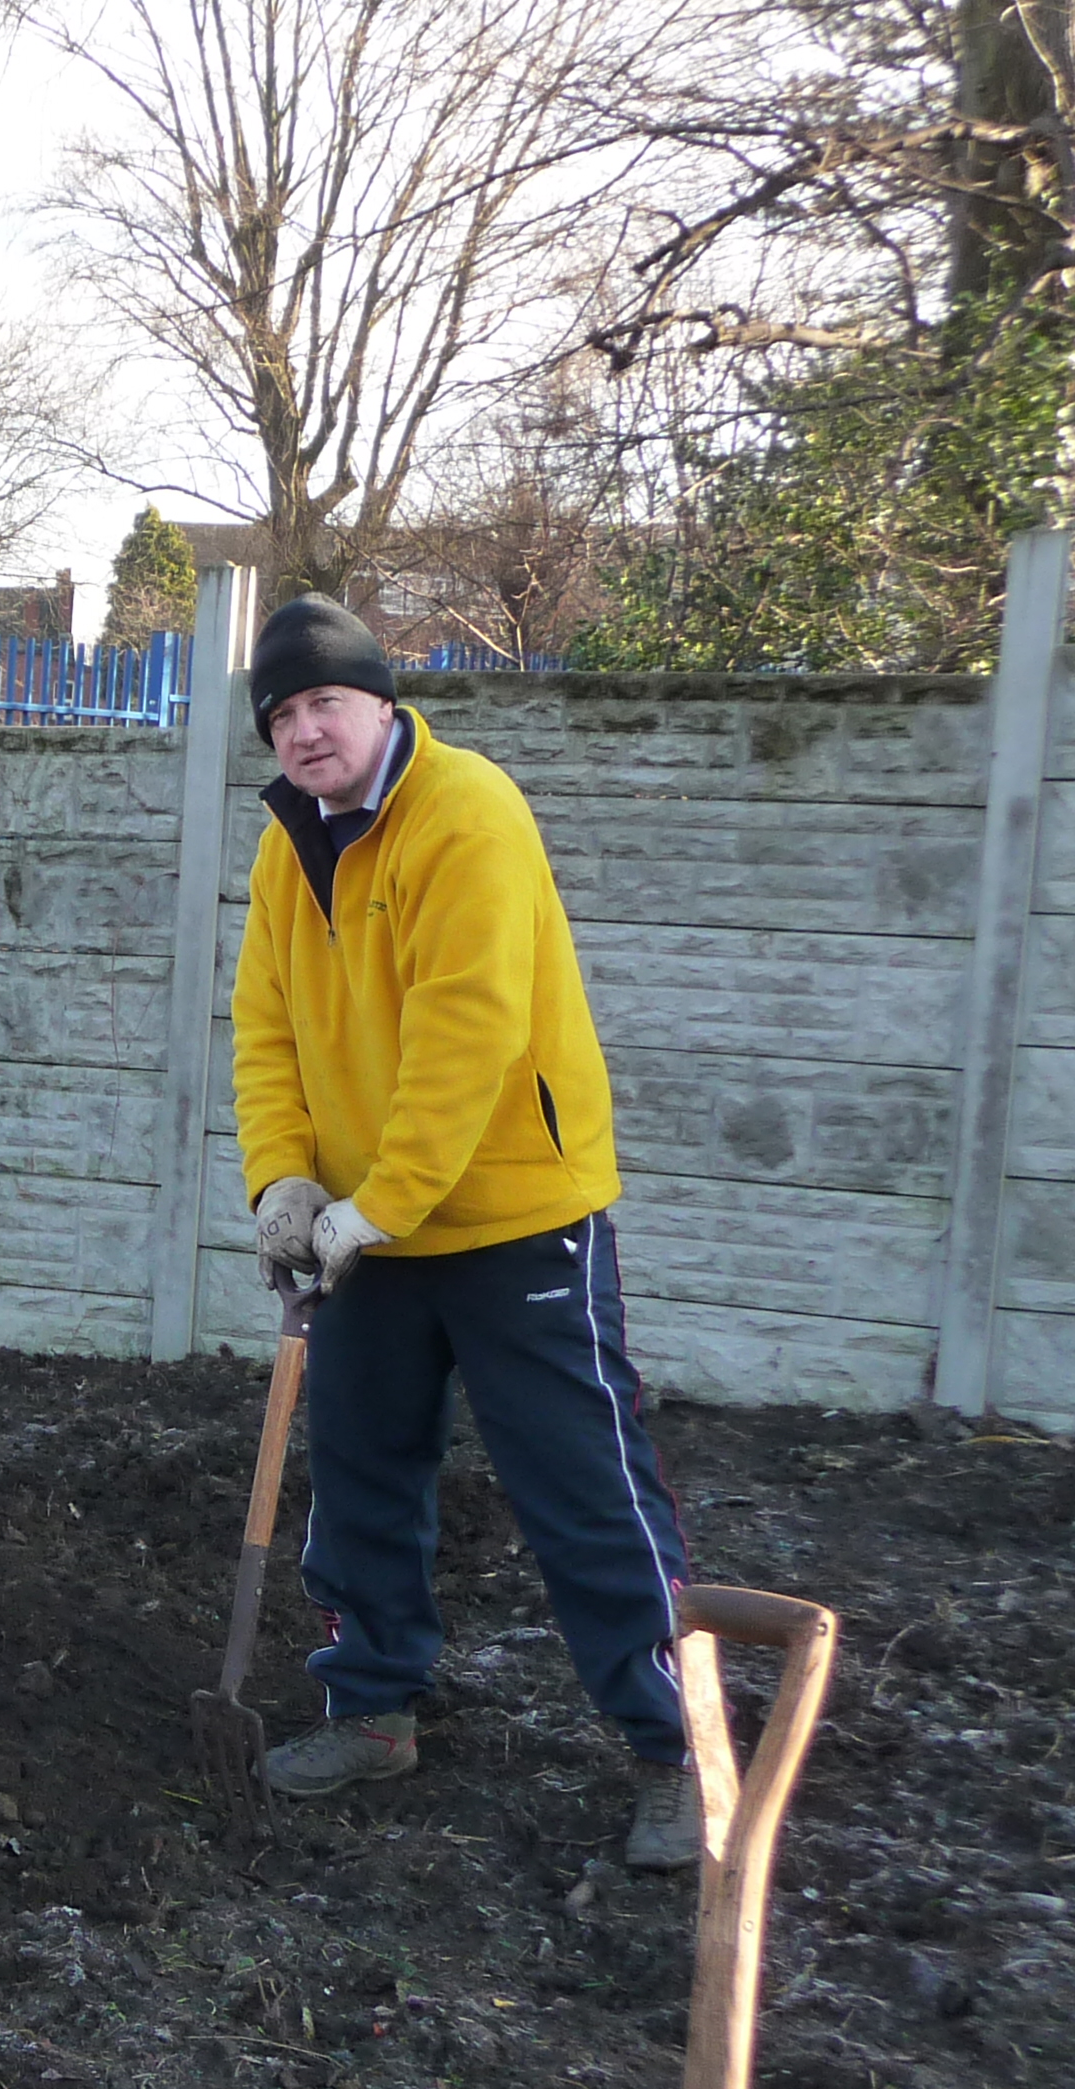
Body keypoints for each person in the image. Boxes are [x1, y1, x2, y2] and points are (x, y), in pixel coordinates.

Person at [229, 595, 699, 1870]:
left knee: (582, 1488)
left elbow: (468, 1032)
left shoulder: (468, 813)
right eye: (283, 715)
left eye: (327, 702)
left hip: (511, 1219)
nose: (306, 731)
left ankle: (677, 1748)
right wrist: (283, 1181)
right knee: (362, 1479)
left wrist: (383, 1201)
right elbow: (265, 1025)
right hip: (361, 1237)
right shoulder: (287, 847)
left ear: (383, 704)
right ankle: (372, 1710)